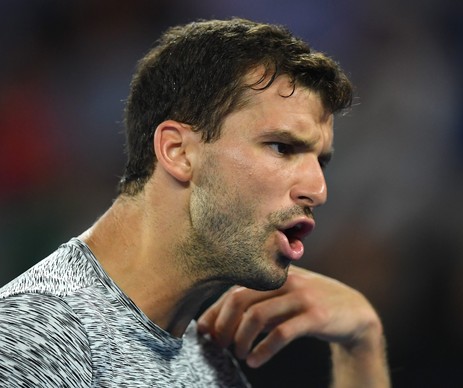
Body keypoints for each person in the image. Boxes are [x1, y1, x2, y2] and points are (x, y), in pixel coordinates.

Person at [0, 18, 390, 387]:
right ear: (178, 152)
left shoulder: (205, 360)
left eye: (320, 161)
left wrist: (362, 343)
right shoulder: (36, 336)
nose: (318, 191)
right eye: (282, 147)